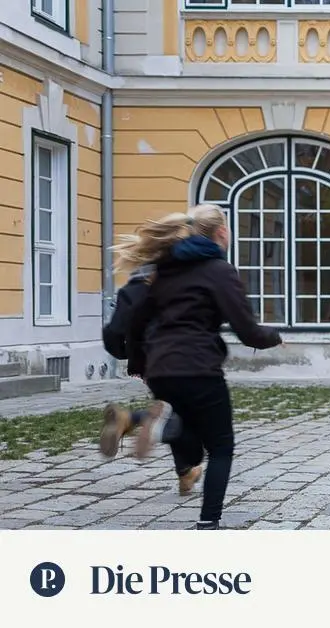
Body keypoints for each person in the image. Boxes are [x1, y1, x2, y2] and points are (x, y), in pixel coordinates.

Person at [117, 204, 283, 530]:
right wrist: (274, 337)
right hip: (199, 368)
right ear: (222, 232)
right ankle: (208, 524)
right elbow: (246, 329)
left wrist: (138, 364)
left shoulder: (163, 270)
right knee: (221, 447)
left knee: (189, 438)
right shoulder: (219, 271)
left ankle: (147, 419)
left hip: (161, 371)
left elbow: (137, 321)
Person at [96, 263, 175, 458]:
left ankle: (186, 474)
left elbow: (113, 332)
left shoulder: (130, 290)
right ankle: (133, 418)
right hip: (176, 356)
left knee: (170, 408)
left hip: (145, 364)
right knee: (182, 417)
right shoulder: (175, 285)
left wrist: (126, 352)